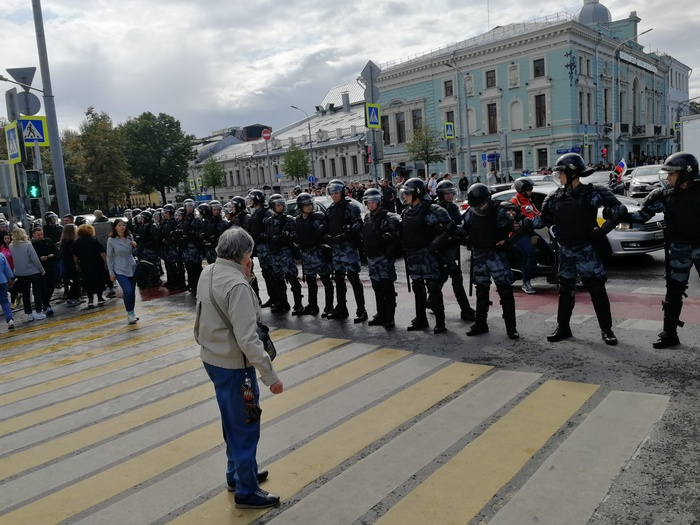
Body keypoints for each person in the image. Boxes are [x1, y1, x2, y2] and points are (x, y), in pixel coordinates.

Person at [194, 227, 283, 510]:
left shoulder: (208, 272)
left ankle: (237, 474)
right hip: (236, 366)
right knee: (246, 425)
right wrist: (270, 375)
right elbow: (248, 338)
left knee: (231, 420)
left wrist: (246, 274)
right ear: (246, 255)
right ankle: (246, 490)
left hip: (213, 357)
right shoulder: (238, 286)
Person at [532, 153, 627, 345]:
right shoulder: (555, 196)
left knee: (596, 289)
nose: (558, 176)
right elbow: (543, 219)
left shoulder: (594, 192)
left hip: (586, 249)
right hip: (565, 249)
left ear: (572, 173)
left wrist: (602, 231)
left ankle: (607, 330)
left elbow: (620, 210)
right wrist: (520, 221)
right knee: (565, 290)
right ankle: (563, 328)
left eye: (561, 172)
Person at [628, 152, 700, 348]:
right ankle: (669, 334)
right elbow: (643, 215)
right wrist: (618, 214)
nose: (667, 178)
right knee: (674, 291)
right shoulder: (664, 195)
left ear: (686, 174)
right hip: (678, 248)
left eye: (672, 174)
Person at [462, 183, 524, 339]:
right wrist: (466, 239)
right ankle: (480, 324)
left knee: (505, 290)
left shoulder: (502, 209)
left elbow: (524, 224)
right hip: (479, 255)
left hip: (496, 254)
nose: (479, 209)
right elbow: (464, 229)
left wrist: (509, 241)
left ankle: (511, 327)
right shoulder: (472, 211)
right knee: (481, 290)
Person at [400, 177, 452, 334]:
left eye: (408, 194)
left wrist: (435, 244)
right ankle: (421, 318)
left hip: (428, 255)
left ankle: (440, 322)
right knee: (417, 287)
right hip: (413, 254)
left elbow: (449, 227)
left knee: (433, 286)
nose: (405, 197)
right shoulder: (406, 211)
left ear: (417, 194)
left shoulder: (433, 210)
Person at [324, 179, 367, 323]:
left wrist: (344, 236)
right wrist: (327, 237)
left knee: (354, 278)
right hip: (336, 249)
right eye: (332, 193)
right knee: (338, 279)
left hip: (348, 248)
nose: (334, 195)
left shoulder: (350, 207)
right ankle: (341, 307)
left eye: (336, 192)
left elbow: (357, 224)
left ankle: (361, 310)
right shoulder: (330, 209)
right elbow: (325, 226)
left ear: (342, 192)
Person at [435, 179, 476, 322]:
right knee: (456, 277)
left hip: (452, 249)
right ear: (440, 194)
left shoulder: (452, 208)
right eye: (447, 194)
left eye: (451, 193)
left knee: (442, 277)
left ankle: (431, 300)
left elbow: (459, 227)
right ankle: (465, 310)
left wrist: (466, 237)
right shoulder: (435, 208)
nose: (450, 196)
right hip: (440, 250)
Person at [362, 188, 401, 328]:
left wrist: (389, 253)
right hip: (372, 258)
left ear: (379, 202)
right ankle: (380, 314)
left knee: (387, 288)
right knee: (377, 287)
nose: (371, 205)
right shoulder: (367, 217)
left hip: (384, 258)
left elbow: (397, 237)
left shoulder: (389, 217)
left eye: (373, 202)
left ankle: (390, 317)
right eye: (368, 202)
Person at [509, 177, 553, 294]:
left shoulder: (529, 201)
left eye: (531, 189)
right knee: (529, 253)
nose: (531, 191)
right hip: (518, 234)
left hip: (529, 231)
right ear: (521, 190)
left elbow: (537, 214)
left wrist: (546, 216)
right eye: (528, 189)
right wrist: (522, 222)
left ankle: (552, 275)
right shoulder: (514, 202)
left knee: (548, 250)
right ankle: (526, 282)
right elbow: (511, 219)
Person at [293, 192, 334, 316]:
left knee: (326, 280)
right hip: (306, 253)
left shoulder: (318, 217)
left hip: (318, 252)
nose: (309, 207)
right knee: (310, 281)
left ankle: (329, 307)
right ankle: (312, 305)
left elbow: (326, 229)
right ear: (300, 206)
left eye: (310, 204)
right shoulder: (298, 220)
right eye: (306, 205)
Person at [264, 194, 303, 314]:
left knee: (292, 278)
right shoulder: (269, 221)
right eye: (278, 205)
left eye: (282, 205)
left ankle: (298, 304)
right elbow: (268, 234)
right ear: (272, 206)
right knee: (277, 279)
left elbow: (296, 236)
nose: (281, 207)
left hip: (286, 252)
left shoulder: (289, 219)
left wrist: (285, 238)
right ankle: (283, 303)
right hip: (274, 253)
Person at [107, 218, 139, 324]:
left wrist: (135, 245)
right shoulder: (111, 240)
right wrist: (111, 273)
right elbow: (110, 257)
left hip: (131, 266)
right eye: (119, 225)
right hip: (119, 269)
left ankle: (132, 312)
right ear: (115, 227)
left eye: (124, 225)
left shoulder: (130, 237)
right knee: (127, 290)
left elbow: (134, 252)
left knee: (132, 292)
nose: (122, 227)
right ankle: (129, 313)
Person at [10, 228, 46, 322]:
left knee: (25, 294)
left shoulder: (11, 246)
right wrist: (41, 270)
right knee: (36, 292)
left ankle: (29, 314)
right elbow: (34, 259)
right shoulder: (27, 244)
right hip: (32, 271)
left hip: (20, 273)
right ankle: (38, 312)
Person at [72, 224, 108, 308]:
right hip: (96, 263)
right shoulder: (94, 241)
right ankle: (100, 298)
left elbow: (75, 256)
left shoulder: (77, 242)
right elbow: (102, 253)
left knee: (87, 282)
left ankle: (90, 299)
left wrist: (77, 265)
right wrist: (105, 262)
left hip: (84, 264)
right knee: (99, 280)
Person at [31, 228, 59, 316]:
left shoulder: (48, 241)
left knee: (52, 285)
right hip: (40, 269)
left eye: (41, 234)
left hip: (51, 266)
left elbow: (56, 251)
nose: (40, 237)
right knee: (44, 287)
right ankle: (46, 305)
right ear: (34, 235)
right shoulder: (32, 244)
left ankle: (46, 302)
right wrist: (40, 258)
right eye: (38, 235)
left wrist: (53, 255)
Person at [59, 224, 82, 306]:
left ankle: (75, 297)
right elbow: (74, 254)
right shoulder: (71, 241)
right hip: (72, 263)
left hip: (67, 263)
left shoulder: (64, 241)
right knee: (76, 281)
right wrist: (77, 264)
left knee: (75, 281)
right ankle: (73, 297)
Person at [0, 251, 16, 330]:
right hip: (2, 280)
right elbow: (7, 268)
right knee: (4, 301)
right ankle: (9, 319)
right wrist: (11, 278)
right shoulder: (1, 255)